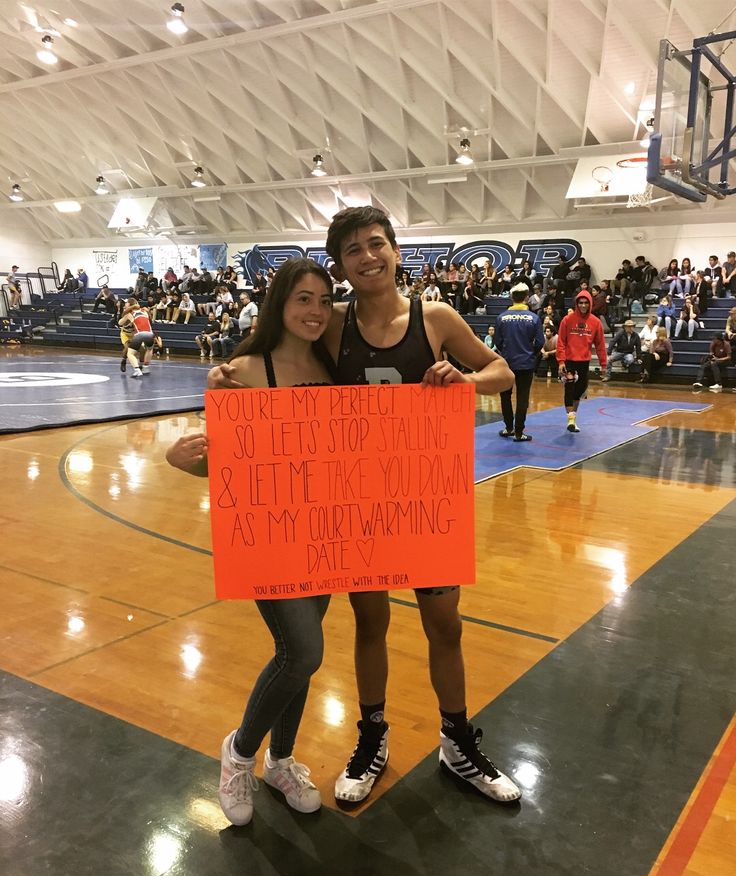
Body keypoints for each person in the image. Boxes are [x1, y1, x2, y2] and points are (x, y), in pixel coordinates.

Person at [209, 206, 520, 806]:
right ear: (342, 266)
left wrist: (467, 382)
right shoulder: (332, 324)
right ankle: (371, 739)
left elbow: (503, 372)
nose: (367, 256)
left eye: (376, 243)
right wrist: (230, 382)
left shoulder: (436, 318)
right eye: (353, 250)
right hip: (357, 507)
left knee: (445, 627)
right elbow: (279, 353)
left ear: (397, 249)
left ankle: (458, 744)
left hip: (427, 500)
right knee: (369, 623)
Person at [167, 258, 336, 826]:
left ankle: (281, 761)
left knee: (303, 660)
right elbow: (228, 468)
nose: (314, 312)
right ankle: (240, 753)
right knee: (303, 651)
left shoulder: (334, 367)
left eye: (322, 300)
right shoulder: (242, 372)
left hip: (327, 532)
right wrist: (179, 459)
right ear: (280, 306)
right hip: (270, 535)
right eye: (303, 300)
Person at [494, 283, 544, 441]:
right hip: (526, 364)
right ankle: (518, 432)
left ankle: (508, 427)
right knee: (523, 398)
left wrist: (506, 353)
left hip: (507, 363)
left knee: (505, 396)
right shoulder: (534, 318)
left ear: (511, 298)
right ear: (527, 298)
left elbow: (497, 341)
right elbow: (540, 342)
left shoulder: (501, 318)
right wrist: (531, 353)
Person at [556, 289, 607, 432]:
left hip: (584, 361)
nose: (583, 305)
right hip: (568, 360)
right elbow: (561, 341)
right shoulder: (567, 320)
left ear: (590, 304)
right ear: (576, 304)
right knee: (569, 387)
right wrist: (561, 361)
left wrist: (604, 364)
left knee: (579, 391)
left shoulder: (595, 322)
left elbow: (600, 345)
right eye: (580, 303)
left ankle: (573, 417)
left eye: (585, 303)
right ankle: (570, 421)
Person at [117, 298, 154, 377]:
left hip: (137, 334)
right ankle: (143, 366)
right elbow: (120, 322)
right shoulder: (144, 311)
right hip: (127, 334)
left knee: (136, 352)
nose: (125, 307)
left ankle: (138, 368)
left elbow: (120, 322)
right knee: (148, 349)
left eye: (126, 305)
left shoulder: (129, 313)